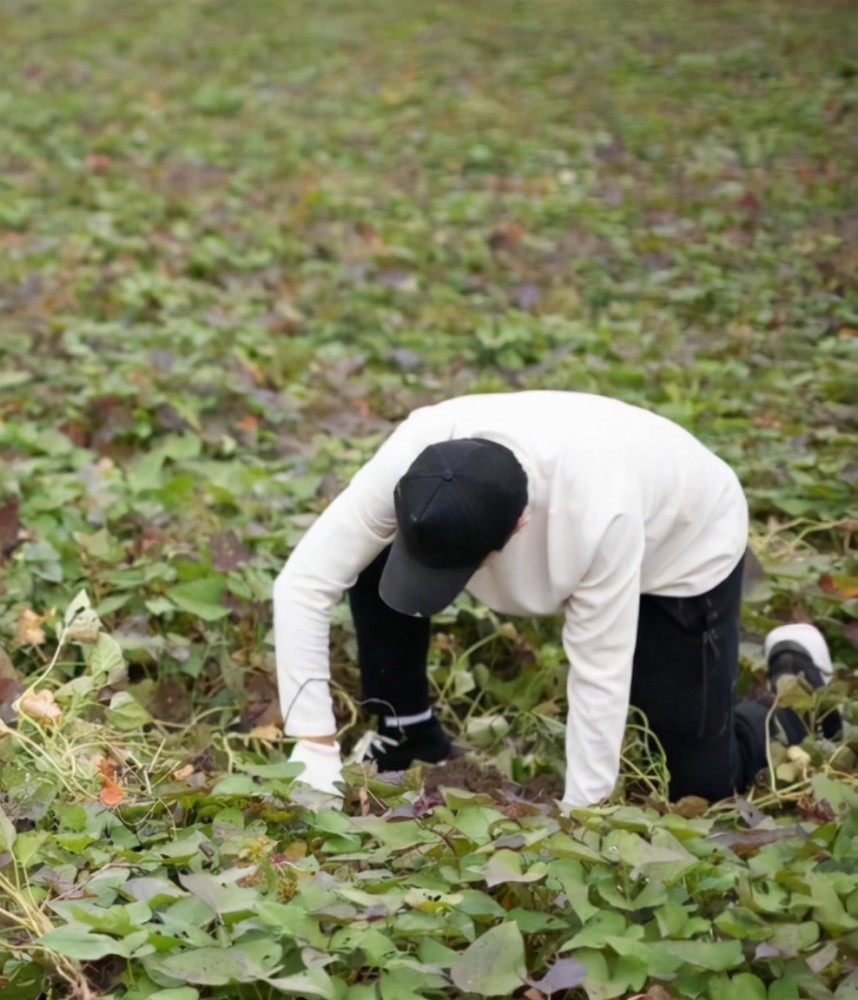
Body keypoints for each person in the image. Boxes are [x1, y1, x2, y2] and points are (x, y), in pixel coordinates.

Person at [273, 391, 836, 806]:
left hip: (686, 543)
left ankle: (799, 680)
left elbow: (599, 672)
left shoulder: (597, 517)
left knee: (702, 782)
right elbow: (303, 583)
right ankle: (408, 733)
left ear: (518, 528)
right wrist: (315, 749)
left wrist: (580, 817)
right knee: (370, 551)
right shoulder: (417, 454)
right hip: (588, 487)